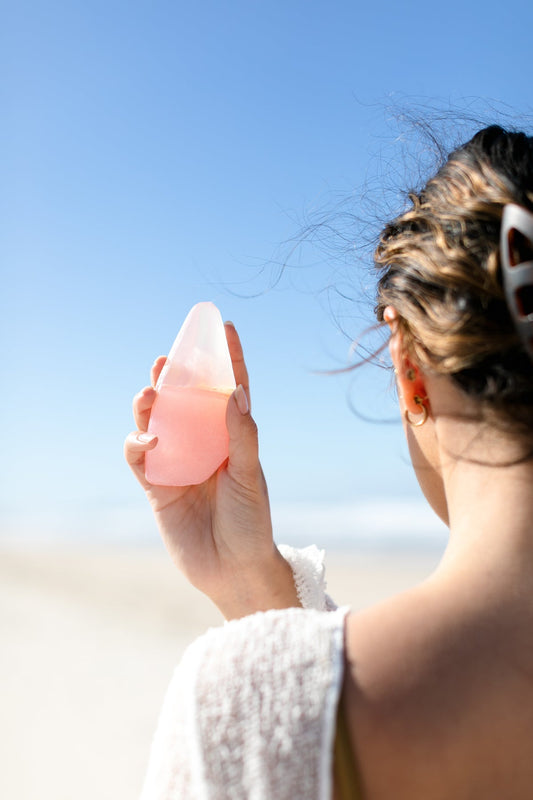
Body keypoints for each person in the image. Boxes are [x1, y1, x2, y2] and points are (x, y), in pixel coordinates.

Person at [124, 125, 533, 799]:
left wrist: (263, 629)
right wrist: (255, 586)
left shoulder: (244, 704)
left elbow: (293, 740)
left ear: (410, 372)